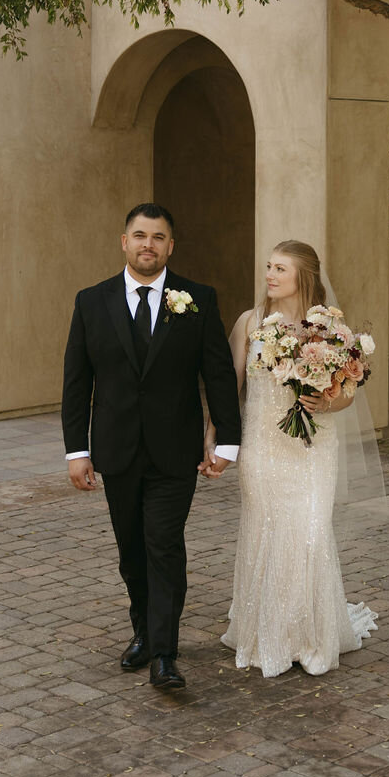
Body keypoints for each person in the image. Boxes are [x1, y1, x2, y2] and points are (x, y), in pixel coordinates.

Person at [62, 204, 241, 691]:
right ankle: (142, 630)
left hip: (174, 451)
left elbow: (219, 374)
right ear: (124, 241)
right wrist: (76, 451)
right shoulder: (91, 301)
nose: (148, 245)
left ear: (171, 246)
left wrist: (227, 440)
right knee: (131, 551)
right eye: (140, 235)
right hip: (116, 451)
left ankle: (164, 652)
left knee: (163, 544)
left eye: (158, 237)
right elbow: (77, 384)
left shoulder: (197, 299)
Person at [208, 240, 378, 677]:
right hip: (264, 447)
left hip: (313, 448)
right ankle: (269, 633)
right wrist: (216, 437)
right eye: (268, 266)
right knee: (266, 531)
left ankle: (309, 636)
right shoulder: (251, 322)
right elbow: (229, 389)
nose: (269, 275)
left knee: (311, 532)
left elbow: (347, 391)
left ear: (302, 277)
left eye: (279, 269)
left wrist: (326, 404)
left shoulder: (328, 330)